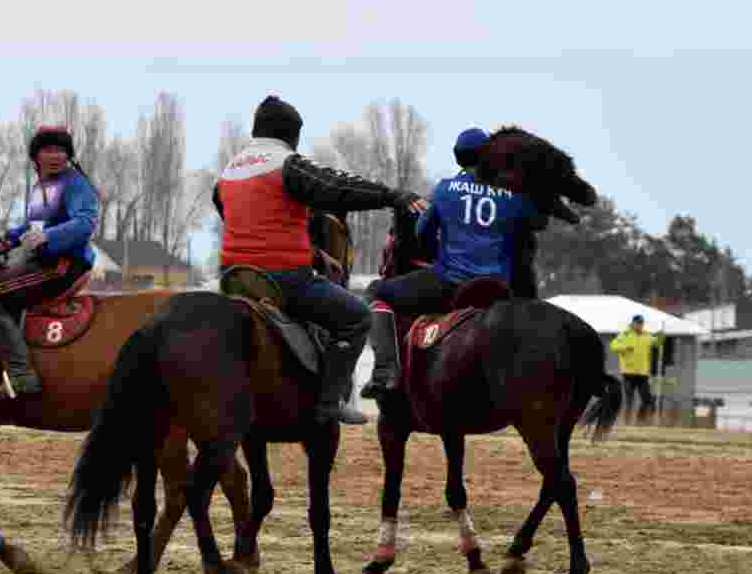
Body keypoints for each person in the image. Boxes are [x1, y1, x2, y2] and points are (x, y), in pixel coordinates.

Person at [213, 95, 427, 426]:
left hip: (233, 278)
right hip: (284, 280)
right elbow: (337, 187)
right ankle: (330, 402)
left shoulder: (228, 173)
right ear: (291, 135)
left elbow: (246, 223)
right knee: (356, 316)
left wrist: (314, 253)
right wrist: (392, 195)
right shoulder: (287, 163)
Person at [362, 128, 545, 400]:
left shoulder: (446, 188)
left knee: (377, 292)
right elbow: (535, 225)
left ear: (459, 158)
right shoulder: (514, 194)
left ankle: (386, 370)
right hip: (499, 289)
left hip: (450, 284)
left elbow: (422, 234)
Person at [0, 126, 99, 400]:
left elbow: (85, 223)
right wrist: (5, 240)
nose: (56, 156)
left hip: (64, 265)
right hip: (44, 262)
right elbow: (32, 226)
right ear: (36, 156)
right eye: (48, 150)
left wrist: (47, 236)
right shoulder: (41, 187)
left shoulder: (76, 183)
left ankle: (21, 376)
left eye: (61, 150)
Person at [610, 314, 665, 424]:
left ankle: (640, 421)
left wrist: (661, 336)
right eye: (638, 323)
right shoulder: (624, 334)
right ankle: (626, 422)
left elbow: (657, 343)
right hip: (628, 372)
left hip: (642, 373)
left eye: (641, 323)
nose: (639, 325)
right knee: (629, 400)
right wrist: (624, 348)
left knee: (646, 399)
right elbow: (613, 345)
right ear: (633, 323)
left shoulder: (647, 335)